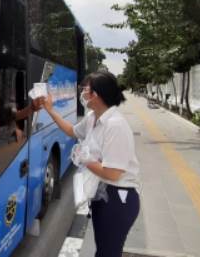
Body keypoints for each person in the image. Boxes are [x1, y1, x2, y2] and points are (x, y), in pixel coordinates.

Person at [41, 71, 140, 257]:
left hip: (118, 199)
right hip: (101, 194)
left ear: (96, 94)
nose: (82, 93)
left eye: (85, 89)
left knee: (108, 252)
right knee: (103, 249)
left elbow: (113, 173)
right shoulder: (93, 117)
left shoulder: (115, 125)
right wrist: (50, 109)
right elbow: (72, 131)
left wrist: (83, 159)